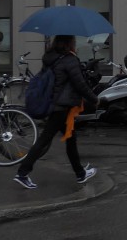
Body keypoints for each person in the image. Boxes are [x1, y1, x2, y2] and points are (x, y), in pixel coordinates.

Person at [13, 34, 99, 189]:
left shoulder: (50, 58)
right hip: (62, 106)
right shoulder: (69, 60)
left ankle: (80, 173)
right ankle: (22, 173)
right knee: (45, 139)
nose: (75, 43)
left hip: (55, 103)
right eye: (73, 41)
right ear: (69, 43)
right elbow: (80, 84)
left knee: (71, 139)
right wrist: (94, 99)